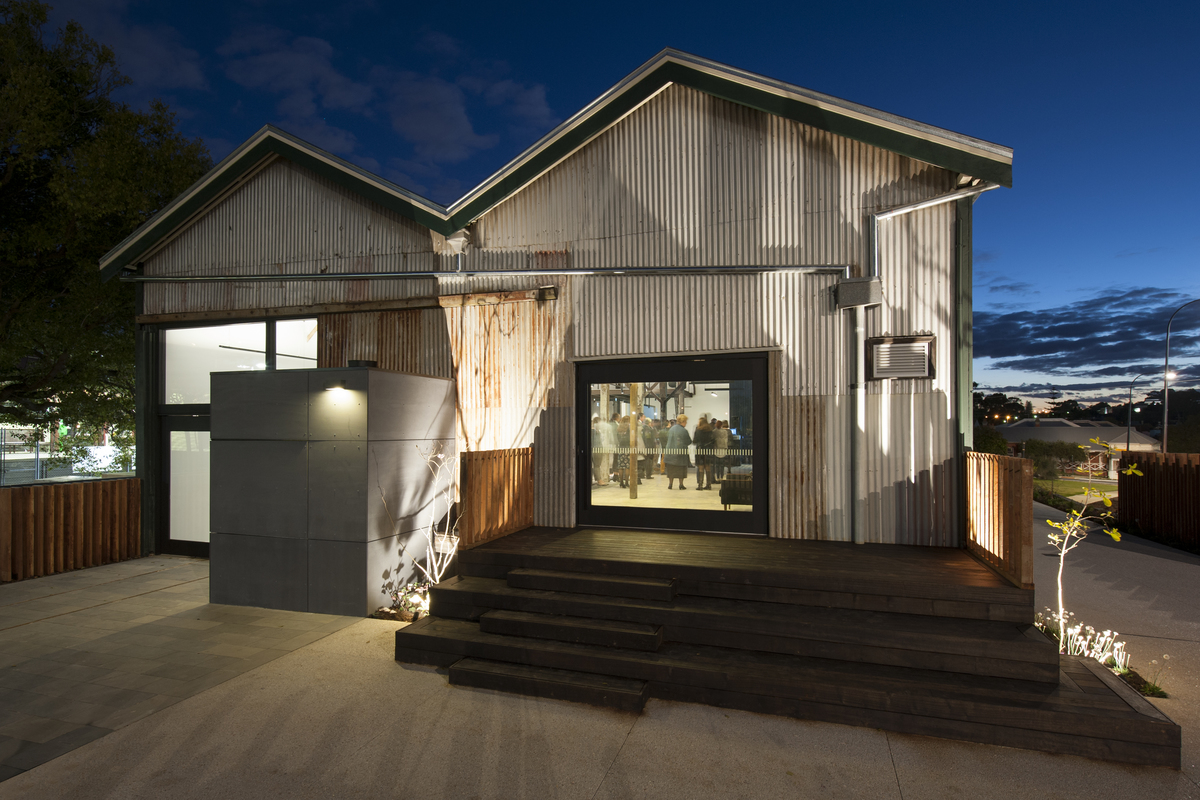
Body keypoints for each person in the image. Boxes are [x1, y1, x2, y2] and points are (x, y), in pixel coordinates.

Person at [664, 414, 692, 489]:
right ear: (683, 422)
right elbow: (688, 441)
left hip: (670, 453)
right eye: (686, 422)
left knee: (671, 469)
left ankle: (670, 484)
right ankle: (681, 484)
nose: (686, 423)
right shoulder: (684, 431)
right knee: (681, 470)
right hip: (680, 454)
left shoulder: (671, 429)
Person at [693, 417, 715, 490]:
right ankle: (708, 484)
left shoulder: (698, 431)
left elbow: (694, 441)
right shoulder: (710, 431)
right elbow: (713, 441)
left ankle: (700, 484)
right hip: (708, 451)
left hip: (700, 450)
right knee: (708, 467)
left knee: (701, 468)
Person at [614, 416, 631, 488]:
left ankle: (621, 482)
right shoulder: (629, 428)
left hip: (620, 448)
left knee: (621, 467)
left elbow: (617, 439)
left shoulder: (619, 428)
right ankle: (626, 482)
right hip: (627, 448)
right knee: (627, 466)